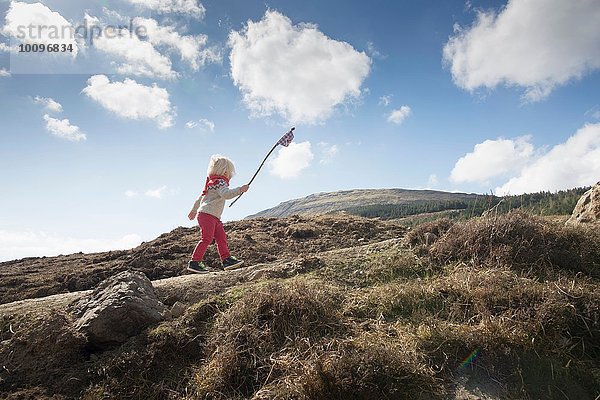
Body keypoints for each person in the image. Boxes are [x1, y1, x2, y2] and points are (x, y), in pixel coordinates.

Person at [187, 155, 249, 273]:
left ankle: (226, 259)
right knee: (206, 239)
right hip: (208, 215)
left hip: (211, 216)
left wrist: (194, 210)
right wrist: (240, 190)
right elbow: (226, 194)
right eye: (230, 172)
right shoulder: (220, 182)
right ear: (225, 172)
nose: (230, 175)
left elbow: (200, 198)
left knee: (221, 238)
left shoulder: (211, 183)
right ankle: (194, 262)